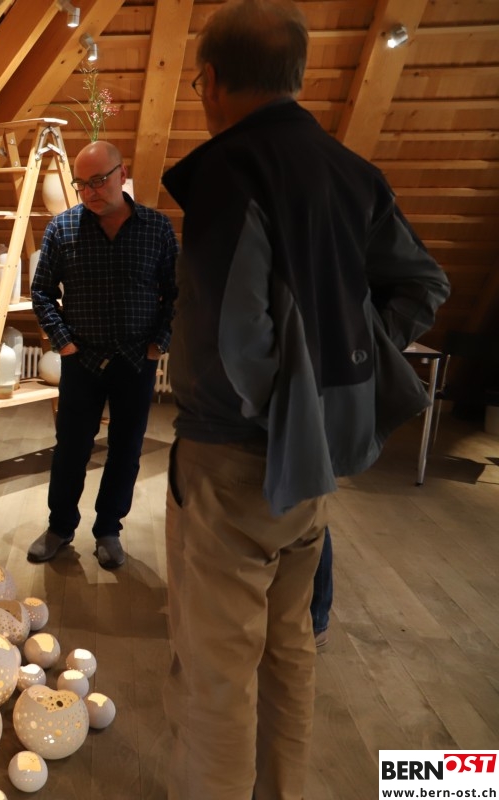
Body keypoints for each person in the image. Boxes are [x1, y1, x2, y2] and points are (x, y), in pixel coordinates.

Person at [159, 1, 450, 797]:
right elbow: (424, 284)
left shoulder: (229, 170)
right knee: (287, 649)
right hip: (312, 466)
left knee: (216, 671)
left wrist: (287, 394)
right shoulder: (352, 173)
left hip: (232, 462)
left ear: (209, 81)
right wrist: (336, 371)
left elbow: (232, 337)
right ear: (297, 75)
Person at [28, 141, 177, 569]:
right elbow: (41, 292)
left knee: (126, 449)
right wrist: (64, 343)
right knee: (71, 449)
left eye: (98, 180)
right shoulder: (62, 229)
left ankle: (109, 529)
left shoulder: (156, 228)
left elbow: (177, 292)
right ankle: (60, 527)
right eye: (82, 183)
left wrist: (158, 344)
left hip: (136, 359)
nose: (90, 191)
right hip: (82, 361)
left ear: (121, 174)